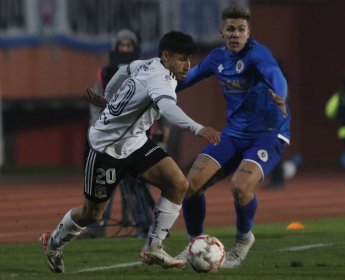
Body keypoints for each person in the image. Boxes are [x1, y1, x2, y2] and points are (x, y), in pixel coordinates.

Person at [39, 30, 220, 273]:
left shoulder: (148, 63)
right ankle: (52, 243)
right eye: (182, 59)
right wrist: (199, 128)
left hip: (135, 144)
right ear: (166, 56)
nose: (187, 65)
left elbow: (123, 70)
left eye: (190, 59)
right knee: (92, 215)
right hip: (105, 149)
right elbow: (167, 108)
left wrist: (109, 99)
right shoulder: (161, 78)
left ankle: (153, 247)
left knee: (178, 184)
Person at [175, 4, 290, 269]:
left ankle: (243, 239)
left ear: (249, 32)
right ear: (221, 31)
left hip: (268, 135)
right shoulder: (217, 58)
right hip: (234, 133)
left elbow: (275, 74)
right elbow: (188, 78)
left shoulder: (258, 54)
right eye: (231, 29)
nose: (236, 34)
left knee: (240, 186)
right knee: (189, 185)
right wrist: (158, 87)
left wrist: (279, 95)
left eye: (241, 29)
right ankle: (195, 243)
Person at [82, 28, 155, 239]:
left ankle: (145, 226)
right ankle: (96, 227)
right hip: (108, 138)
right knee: (103, 182)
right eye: (121, 45)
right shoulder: (104, 73)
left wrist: (155, 132)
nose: (124, 49)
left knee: (138, 184)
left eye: (128, 46)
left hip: (137, 137)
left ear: (135, 49)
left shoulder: (146, 70)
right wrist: (98, 131)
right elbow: (95, 105)